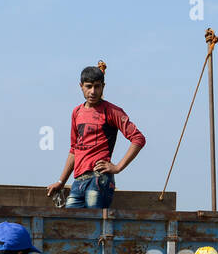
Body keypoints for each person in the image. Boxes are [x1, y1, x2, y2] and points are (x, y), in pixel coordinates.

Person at [46, 64, 145, 209]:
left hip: (99, 178)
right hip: (79, 180)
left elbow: (138, 138)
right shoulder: (77, 112)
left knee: (93, 224)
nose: (93, 91)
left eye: (97, 86)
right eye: (88, 86)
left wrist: (117, 167)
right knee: (70, 223)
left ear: (103, 87)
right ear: (81, 86)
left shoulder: (111, 111)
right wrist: (61, 182)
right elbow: (74, 149)